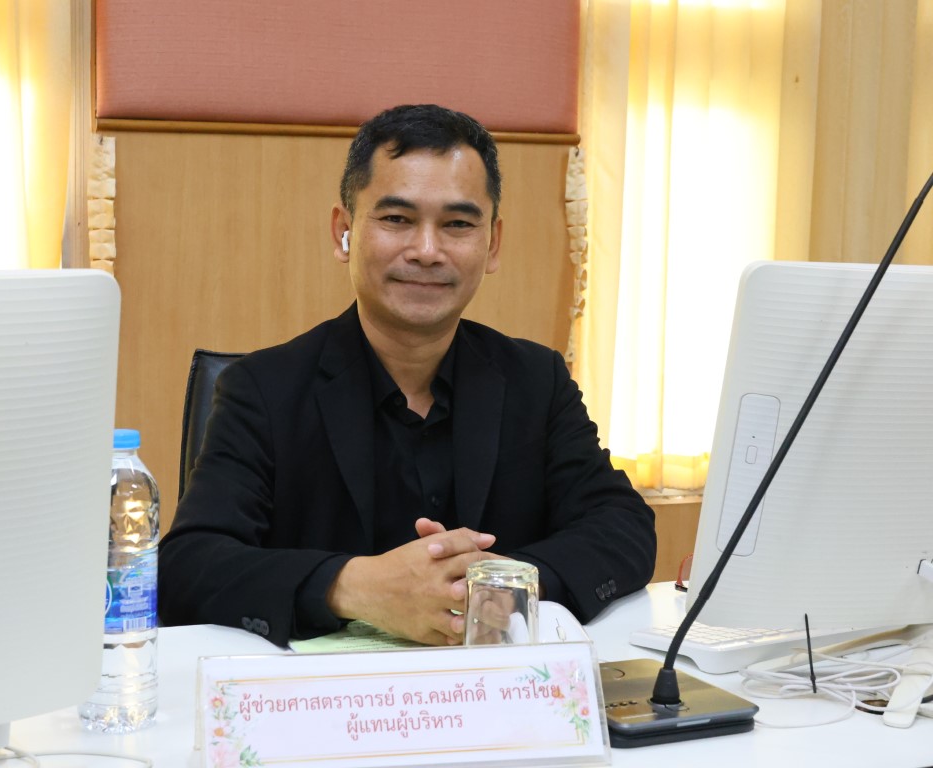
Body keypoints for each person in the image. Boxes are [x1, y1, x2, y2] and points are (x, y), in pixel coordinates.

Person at [159, 104, 655, 648]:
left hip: (492, 687)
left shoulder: (537, 381)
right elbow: (190, 565)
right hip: (323, 692)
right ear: (344, 231)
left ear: (492, 244)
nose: (426, 250)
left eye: (458, 224)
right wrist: (353, 586)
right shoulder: (262, 389)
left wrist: (495, 587)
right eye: (397, 219)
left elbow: (622, 525)